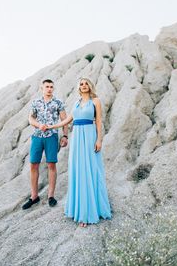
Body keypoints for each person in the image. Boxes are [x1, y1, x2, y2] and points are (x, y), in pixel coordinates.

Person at [45, 77, 111, 227]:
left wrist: (99, 140)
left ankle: (88, 213)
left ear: (90, 85)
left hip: (89, 137)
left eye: (86, 83)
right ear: (79, 88)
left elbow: (99, 121)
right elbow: (67, 120)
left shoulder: (96, 101)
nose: (84, 86)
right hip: (77, 140)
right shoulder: (76, 103)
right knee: (78, 171)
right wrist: (51, 127)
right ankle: (78, 209)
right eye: (81, 84)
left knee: (90, 171)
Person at [22, 79, 68, 210]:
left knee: (51, 164)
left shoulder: (58, 102)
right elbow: (30, 119)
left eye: (51, 87)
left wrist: (65, 136)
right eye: (47, 86)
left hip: (52, 136)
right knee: (33, 165)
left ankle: (51, 196)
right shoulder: (36, 102)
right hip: (37, 136)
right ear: (42, 88)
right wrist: (39, 125)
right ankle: (34, 196)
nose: (49, 89)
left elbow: (64, 120)